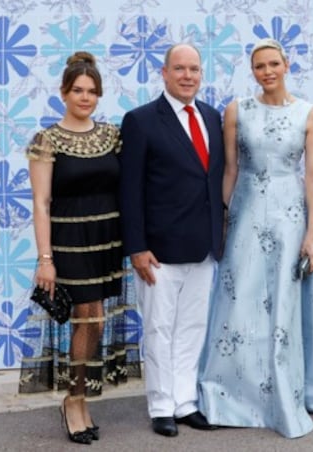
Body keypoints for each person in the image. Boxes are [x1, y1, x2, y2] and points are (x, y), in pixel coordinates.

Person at [197, 38, 313, 439]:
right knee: (238, 302)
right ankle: (230, 395)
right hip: (247, 212)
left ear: (287, 65)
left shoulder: (310, 114)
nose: (266, 72)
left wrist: (312, 234)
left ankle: (289, 392)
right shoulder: (237, 111)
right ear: (252, 71)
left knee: (284, 306)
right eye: (258, 66)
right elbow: (230, 170)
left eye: (273, 64)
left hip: (290, 218)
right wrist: (223, 219)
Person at [19, 51, 141, 445]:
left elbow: (129, 185)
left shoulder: (112, 136)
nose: (85, 97)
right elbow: (41, 202)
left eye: (91, 91)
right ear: (63, 93)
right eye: (77, 90)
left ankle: (82, 396)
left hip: (106, 240)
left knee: (98, 321)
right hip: (69, 242)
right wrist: (45, 259)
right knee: (85, 318)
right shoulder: (47, 140)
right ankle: (73, 400)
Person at [119, 43, 224, 438]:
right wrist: (136, 247)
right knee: (159, 329)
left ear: (201, 74)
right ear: (164, 73)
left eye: (194, 69)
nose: (187, 76)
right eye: (179, 68)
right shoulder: (142, 121)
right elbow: (129, 192)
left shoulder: (212, 117)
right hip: (158, 251)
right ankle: (161, 405)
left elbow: (211, 181)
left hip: (203, 246)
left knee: (192, 327)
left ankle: (185, 402)